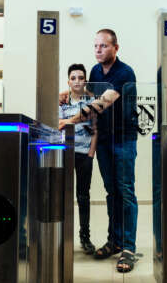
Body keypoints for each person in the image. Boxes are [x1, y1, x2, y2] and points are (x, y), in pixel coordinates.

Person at [59, 29, 138, 273]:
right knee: (111, 191)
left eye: (103, 46)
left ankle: (128, 247)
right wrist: (67, 93)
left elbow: (100, 103)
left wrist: (69, 120)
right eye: (95, 46)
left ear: (115, 48)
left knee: (125, 190)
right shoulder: (94, 71)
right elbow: (87, 96)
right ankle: (114, 241)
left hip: (123, 139)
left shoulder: (124, 72)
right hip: (103, 140)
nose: (98, 50)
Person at [59, 63, 97, 254]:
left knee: (83, 196)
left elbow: (96, 129)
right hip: (66, 153)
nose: (77, 81)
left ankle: (85, 237)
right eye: (73, 78)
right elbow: (57, 125)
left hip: (84, 156)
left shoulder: (92, 101)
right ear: (68, 81)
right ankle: (63, 236)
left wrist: (91, 153)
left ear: (85, 80)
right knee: (63, 196)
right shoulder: (61, 101)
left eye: (81, 77)